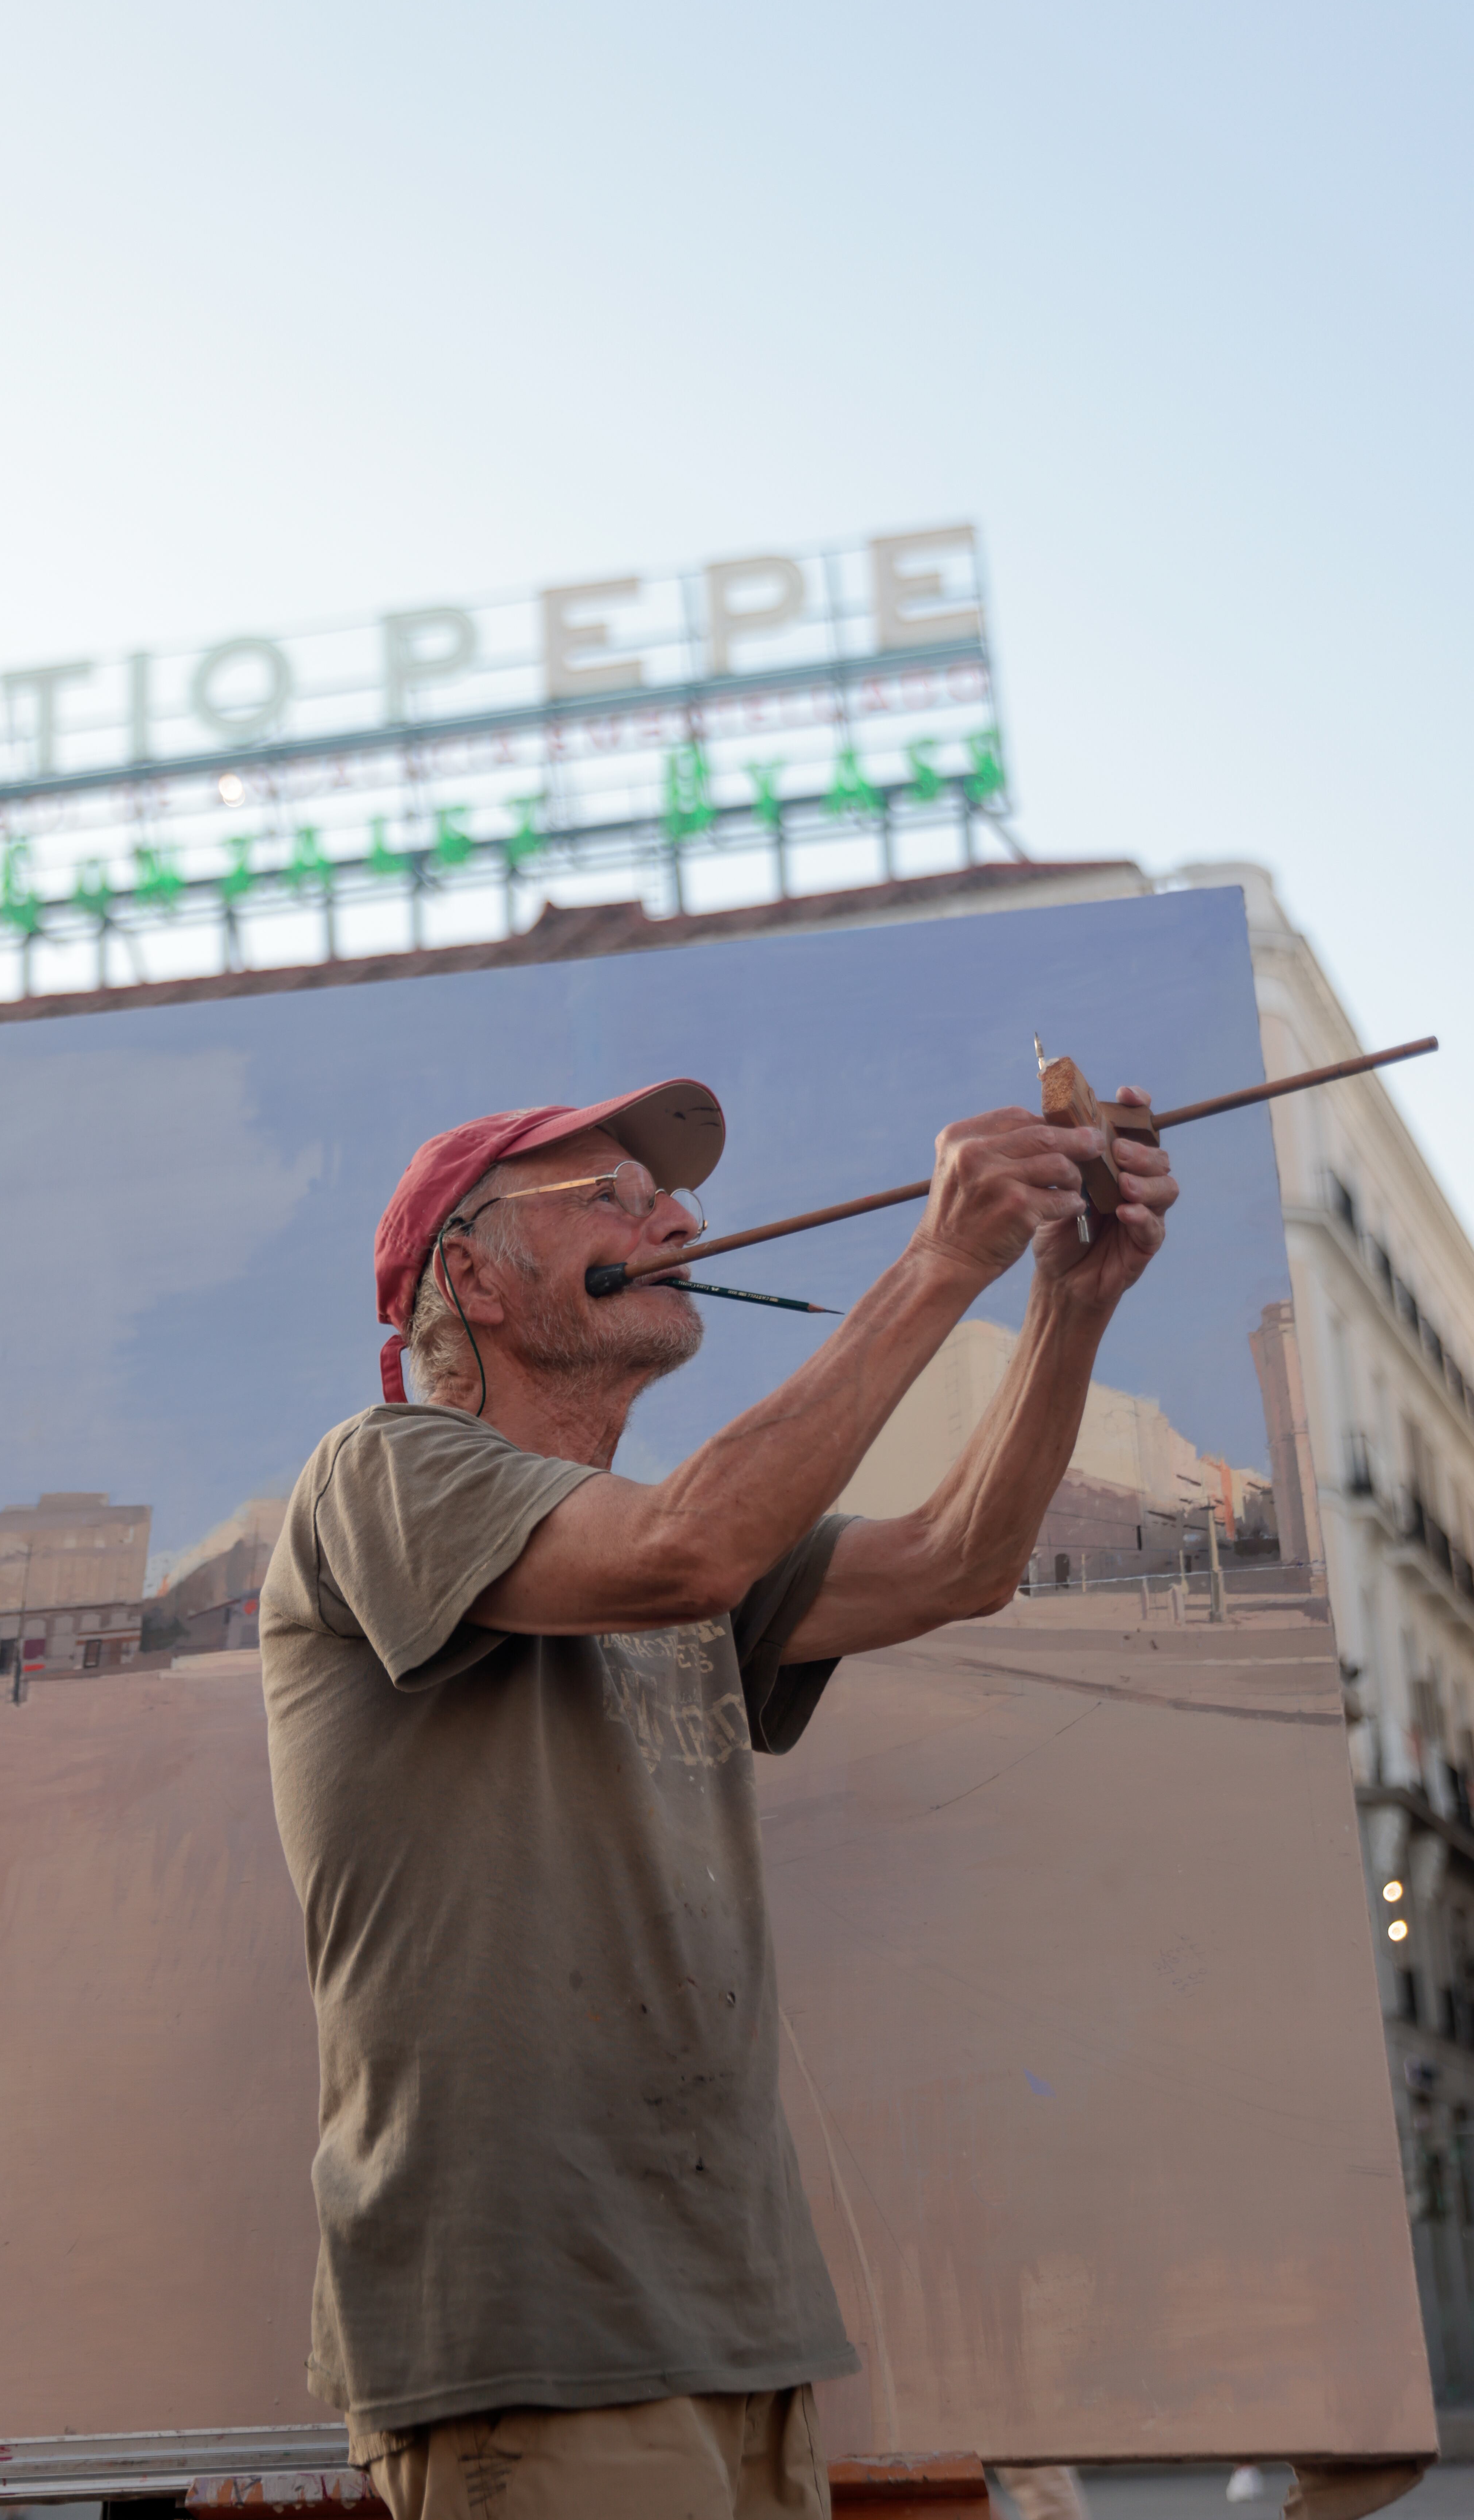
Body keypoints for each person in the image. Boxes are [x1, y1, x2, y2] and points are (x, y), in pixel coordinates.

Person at [260, 1074, 1177, 2520]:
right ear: (470, 1275)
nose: (677, 1216)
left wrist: (1069, 1301)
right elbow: (684, 1549)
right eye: (614, 1199)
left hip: (731, 2311)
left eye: (667, 1194)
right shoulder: (383, 1468)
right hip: (536, 2324)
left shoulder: (682, 1530)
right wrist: (940, 1257)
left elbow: (955, 1560)